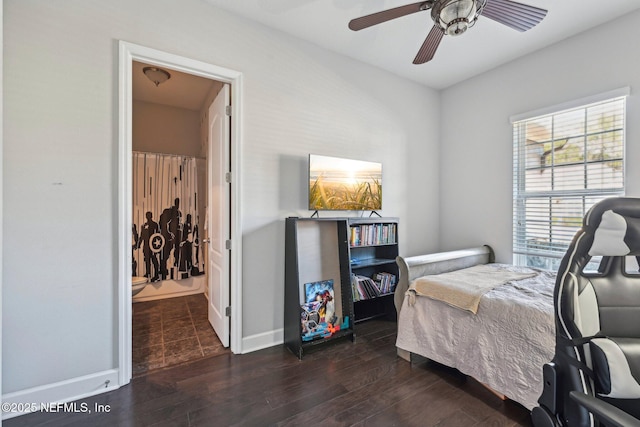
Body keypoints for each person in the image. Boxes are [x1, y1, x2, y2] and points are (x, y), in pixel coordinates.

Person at [138, 211, 160, 282]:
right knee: (147, 261)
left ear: (151, 216)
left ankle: (156, 275)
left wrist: (158, 247)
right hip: (146, 246)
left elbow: (158, 235)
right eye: (147, 215)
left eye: (149, 215)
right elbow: (142, 236)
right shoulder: (144, 225)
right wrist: (139, 244)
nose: (148, 217)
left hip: (153, 246)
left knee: (154, 260)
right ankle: (148, 273)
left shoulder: (155, 225)